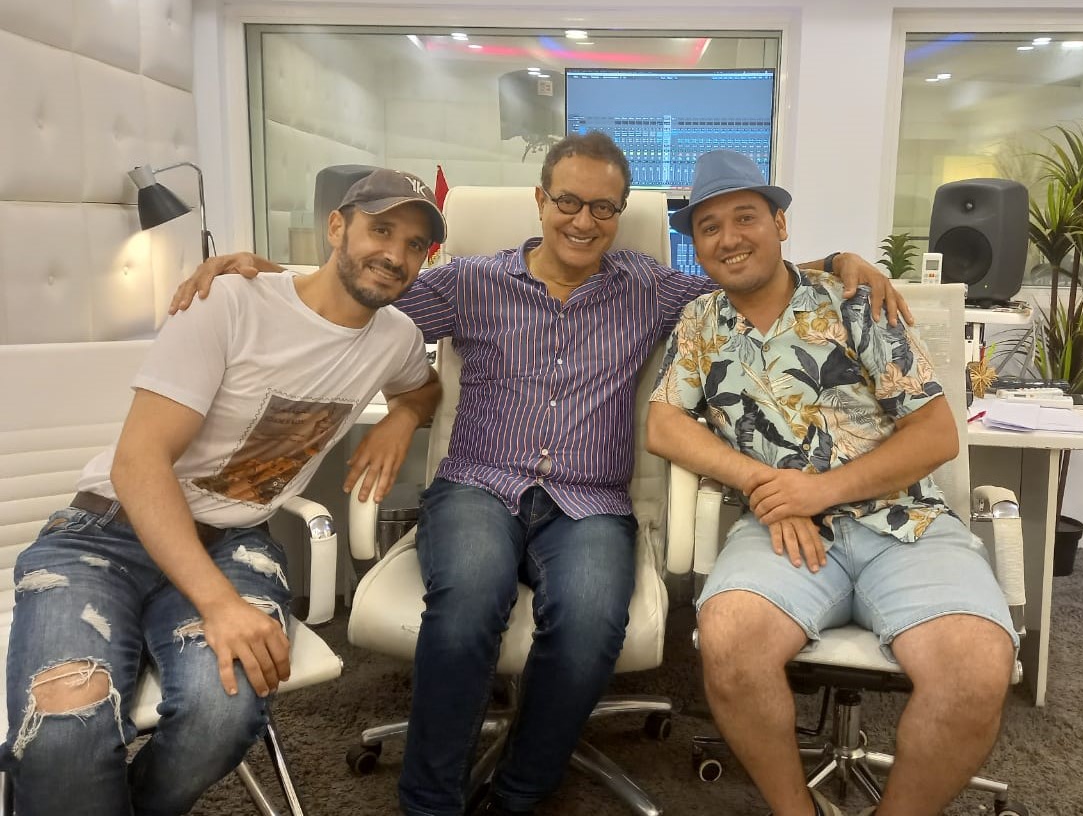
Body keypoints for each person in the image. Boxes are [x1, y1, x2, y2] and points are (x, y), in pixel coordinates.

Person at [168, 132, 909, 816]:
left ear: (620, 213)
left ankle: (519, 791)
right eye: (568, 202)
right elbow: (361, 296)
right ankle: (429, 804)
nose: (583, 221)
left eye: (603, 208)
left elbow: (743, 282)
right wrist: (264, 274)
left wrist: (837, 262)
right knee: (468, 605)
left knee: (591, 623)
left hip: (591, 501)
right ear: (540, 200)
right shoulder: (470, 281)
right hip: (478, 485)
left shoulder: (647, 288)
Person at [1, 168, 444, 815]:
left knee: (225, 711)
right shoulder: (229, 301)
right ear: (336, 227)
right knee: (63, 730)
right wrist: (218, 604)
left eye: (414, 244)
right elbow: (137, 463)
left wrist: (402, 417)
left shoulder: (396, 338)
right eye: (381, 230)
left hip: (235, 541)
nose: (395, 254)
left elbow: (423, 388)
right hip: (106, 535)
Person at [645, 150, 1018, 816]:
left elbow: (935, 435)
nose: (728, 238)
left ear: (780, 224)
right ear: (695, 245)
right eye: (708, 227)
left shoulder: (853, 301)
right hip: (780, 530)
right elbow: (664, 424)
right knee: (729, 643)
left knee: (974, 670)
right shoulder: (700, 322)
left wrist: (820, 490)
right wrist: (767, 483)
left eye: (745, 217)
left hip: (903, 523)